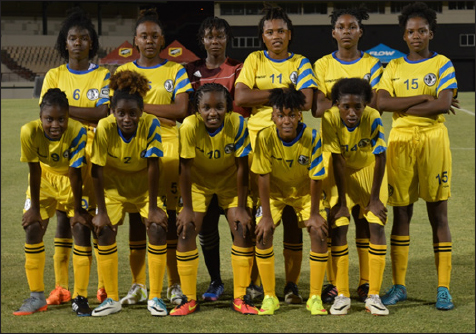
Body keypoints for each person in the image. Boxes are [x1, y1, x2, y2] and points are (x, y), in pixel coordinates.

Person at [376, 2, 458, 311]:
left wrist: (404, 104)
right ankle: (399, 287)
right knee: (401, 213)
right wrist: (425, 96)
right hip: (400, 142)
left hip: (433, 140)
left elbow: (442, 105)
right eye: (410, 31)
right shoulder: (394, 67)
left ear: (431, 33)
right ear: (404, 36)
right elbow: (381, 101)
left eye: (421, 31)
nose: (416, 36)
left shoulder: (442, 64)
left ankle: (443, 289)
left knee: (439, 214)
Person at [235, 3, 318, 304]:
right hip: (257, 146)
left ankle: (292, 286)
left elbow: (306, 101)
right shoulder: (254, 59)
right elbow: (241, 95)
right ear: (263, 36)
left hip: (292, 144)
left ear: (289, 34)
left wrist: (273, 95)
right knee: (259, 217)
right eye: (270, 32)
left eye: (281, 30)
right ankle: (257, 282)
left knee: (294, 220)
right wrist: (285, 92)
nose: (276, 36)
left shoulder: (301, 61)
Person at [114, 8, 193, 306]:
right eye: (144, 35)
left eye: (154, 35)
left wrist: (141, 109)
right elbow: (120, 113)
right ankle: (138, 284)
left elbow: (181, 110)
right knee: (137, 216)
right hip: (134, 147)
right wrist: (157, 112)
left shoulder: (175, 70)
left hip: (170, 149)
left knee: (167, 217)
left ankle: (173, 283)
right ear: (135, 40)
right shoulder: (123, 75)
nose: (149, 40)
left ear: (162, 40)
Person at [312, 5, 384, 304]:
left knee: (367, 220)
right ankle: (334, 284)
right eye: (341, 26)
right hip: (336, 151)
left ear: (360, 31)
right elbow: (317, 108)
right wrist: (341, 109)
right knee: (336, 219)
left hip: (364, 153)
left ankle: (367, 284)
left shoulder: (373, 64)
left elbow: (377, 105)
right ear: (333, 32)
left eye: (352, 26)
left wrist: (344, 105)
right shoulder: (322, 65)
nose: (346, 31)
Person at [39, 7, 110, 306]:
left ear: (91, 42)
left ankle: (103, 286)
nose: (78, 42)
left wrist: (64, 111)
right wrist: (81, 116)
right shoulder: (54, 75)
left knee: (91, 221)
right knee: (62, 221)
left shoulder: (103, 75)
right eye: (72, 38)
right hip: (61, 157)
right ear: (64, 43)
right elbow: (45, 114)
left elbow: (103, 112)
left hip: (93, 158)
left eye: (83, 38)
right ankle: (61, 287)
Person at [185, 16, 256, 302]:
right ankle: (216, 281)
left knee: (242, 222)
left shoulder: (237, 69)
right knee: (208, 225)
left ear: (227, 39)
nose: (215, 41)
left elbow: (240, 106)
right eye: (209, 36)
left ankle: (249, 282)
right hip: (202, 155)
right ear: (202, 40)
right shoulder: (190, 70)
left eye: (220, 36)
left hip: (231, 150)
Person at [90, 69, 169, 317]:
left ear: (141, 113)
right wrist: (101, 212)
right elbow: (97, 171)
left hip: (145, 189)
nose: (127, 118)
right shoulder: (103, 128)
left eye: (132, 113)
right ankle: (112, 299)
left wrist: (154, 207)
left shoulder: (151, 125)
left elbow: (154, 165)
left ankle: (155, 297)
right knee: (103, 229)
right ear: (112, 112)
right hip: (114, 189)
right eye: (121, 113)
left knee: (157, 227)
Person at [172, 83, 255, 316]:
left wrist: (240, 207)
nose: (212, 113)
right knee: (186, 229)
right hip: (199, 183)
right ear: (197, 109)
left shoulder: (238, 123)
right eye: (206, 107)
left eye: (219, 107)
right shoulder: (188, 126)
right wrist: (187, 208)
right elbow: (185, 170)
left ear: (228, 107)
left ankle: (240, 296)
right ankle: (188, 299)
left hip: (230, 182)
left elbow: (242, 167)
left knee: (242, 228)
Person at [251, 84, 328, 316]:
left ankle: (315, 297)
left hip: (305, 193)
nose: (287, 120)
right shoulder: (264, 137)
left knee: (319, 231)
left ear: (299, 116)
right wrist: (265, 215)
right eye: (281, 115)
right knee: (262, 232)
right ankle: (269, 296)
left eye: (292, 115)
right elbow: (262, 177)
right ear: (273, 116)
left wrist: (314, 213)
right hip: (274, 193)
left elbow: (316, 178)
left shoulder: (312, 136)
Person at [14, 88, 89, 316]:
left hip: (72, 180)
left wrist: (77, 210)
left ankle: (80, 297)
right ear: (40, 116)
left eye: (61, 119)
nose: (55, 125)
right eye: (49, 119)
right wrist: (35, 209)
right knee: (33, 227)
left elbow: (76, 173)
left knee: (80, 227)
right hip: (44, 180)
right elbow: (34, 170)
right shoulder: (28, 132)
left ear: (69, 117)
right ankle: (37, 297)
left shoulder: (78, 131)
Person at [321, 78, 388, 316]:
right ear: (336, 104)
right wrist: (340, 202)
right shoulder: (329, 118)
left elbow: (380, 156)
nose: (352, 112)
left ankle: (374, 295)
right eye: (346, 106)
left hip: (370, 170)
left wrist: (375, 199)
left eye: (357, 107)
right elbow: (337, 159)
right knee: (339, 226)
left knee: (376, 224)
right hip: (342, 174)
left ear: (365, 105)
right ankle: (342, 295)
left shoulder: (372, 116)